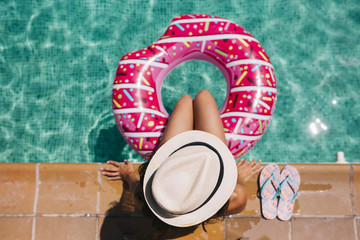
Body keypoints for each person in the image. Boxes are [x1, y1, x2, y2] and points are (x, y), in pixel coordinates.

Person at [101, 90, 262, 239]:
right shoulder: (237, 198)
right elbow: (236, 189)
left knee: (188, 100)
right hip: (190, 158)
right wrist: (239, 178)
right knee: (202, 97)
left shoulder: (144, 197)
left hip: (176, 162)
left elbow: (135, 185)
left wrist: (128, 175)